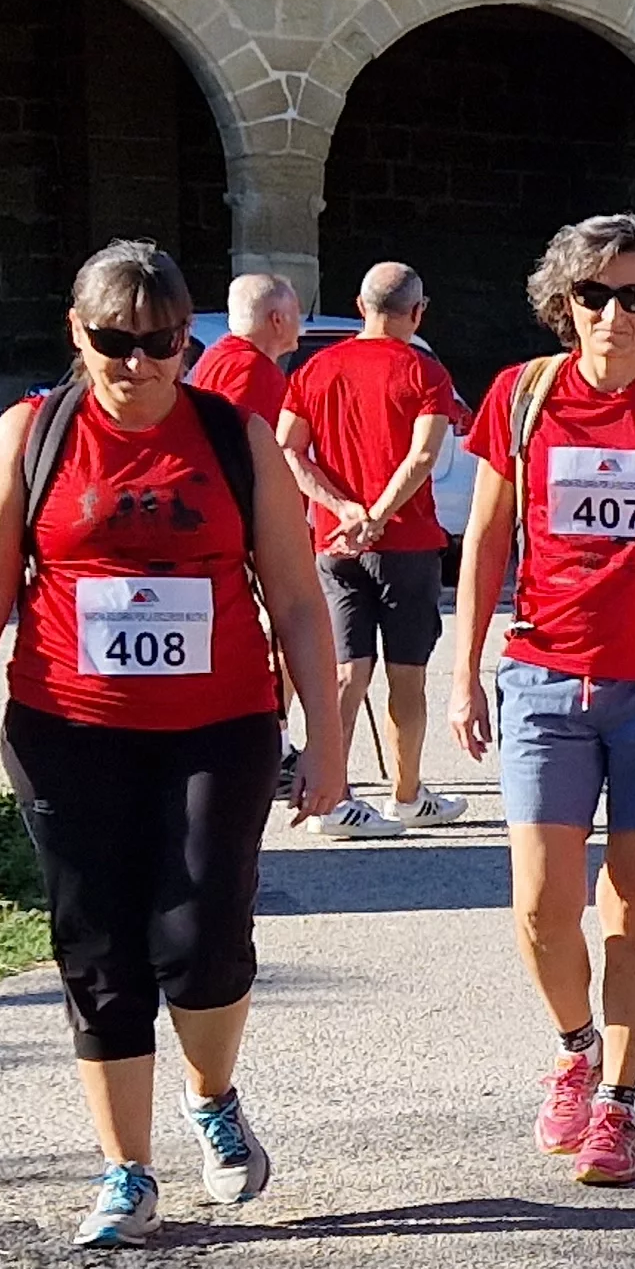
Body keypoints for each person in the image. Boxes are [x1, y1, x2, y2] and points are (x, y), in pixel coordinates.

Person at [0, 239, 347, 1246]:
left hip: (220, 725)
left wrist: (326, 737)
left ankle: (212, 1097)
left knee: (201, 933)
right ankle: (125, 1170)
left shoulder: (232, 436)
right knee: (99, 949)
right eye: (116, 342)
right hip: (70, 727)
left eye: (162, 344)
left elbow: (294, 593)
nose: (140, 365)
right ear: (78, 334)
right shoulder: (32, 435)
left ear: (187, 341)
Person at [448, 213, 635, 1191]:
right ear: (563, 301)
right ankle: (575, 1047)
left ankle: (617, 1100)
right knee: (541, 905)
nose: (615, 313)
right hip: (542, 676)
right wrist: (464, 673)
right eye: (595, 295)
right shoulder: (521, 397)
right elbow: (486, 540)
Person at [275, 262, 471, 839]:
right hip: (404, 543)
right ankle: (406, 795)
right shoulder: (426, 373)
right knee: (405, 676)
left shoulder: (314, 369)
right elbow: (423, 456)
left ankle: (329, 797)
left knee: (343, 671)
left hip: (332, 542)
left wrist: (344, 512)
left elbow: (290, 449)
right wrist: (378, 517)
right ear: (418, 312)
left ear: (360, 307)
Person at [188, 272, 299, 427]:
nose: (300, 325)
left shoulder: (216, 354)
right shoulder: (256, 369)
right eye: (296, 315)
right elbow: (239, 437)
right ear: (277, 320)